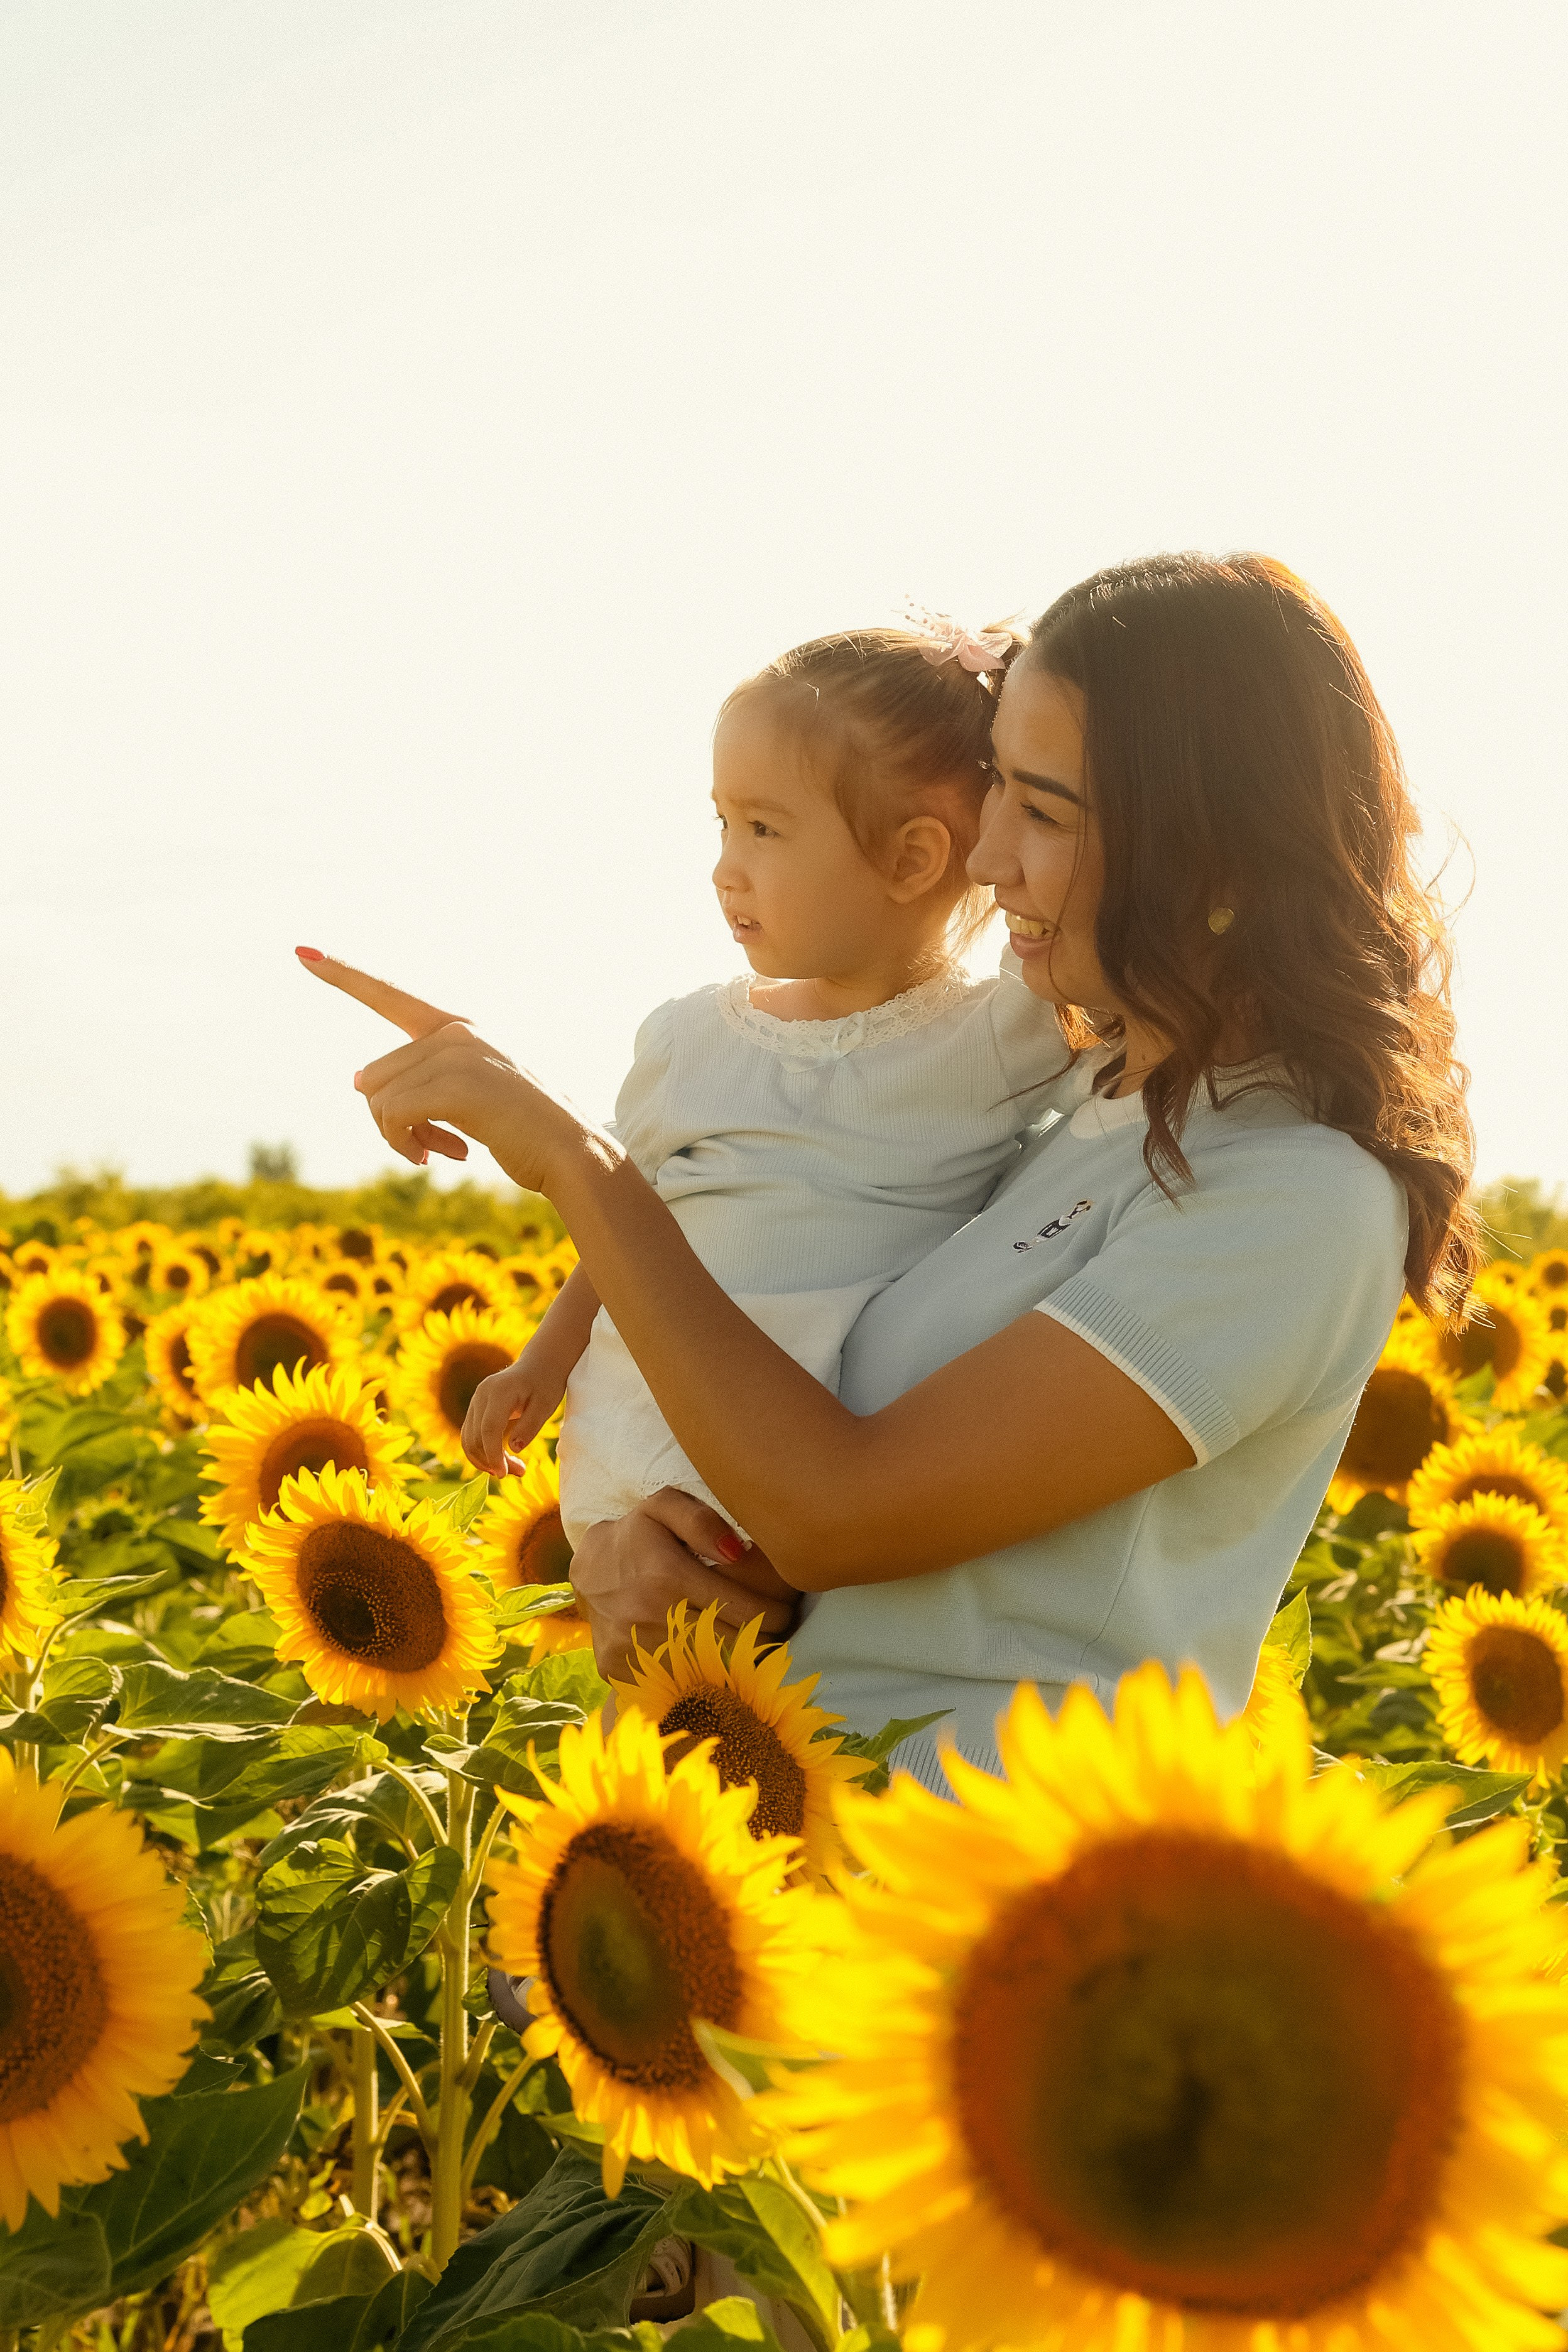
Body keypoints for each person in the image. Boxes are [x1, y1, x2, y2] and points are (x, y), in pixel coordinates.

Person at [299, 552, 1478, 1790]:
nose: (985, 861)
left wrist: (582, 1167)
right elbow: (832, 1504)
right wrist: (641, 1555)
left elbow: (841, 1510)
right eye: (996, 795)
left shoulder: (1292, 1201)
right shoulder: (1085, 1108)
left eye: (1045, 810)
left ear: (1215, 854)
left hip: (974, 1873)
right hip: (775, 1832)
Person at [458, 612, 1075, 1561]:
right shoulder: (693, 1041)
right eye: (722, 822)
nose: (724, 867)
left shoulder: (998, 1037)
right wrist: (542, 1361)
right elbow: (630, 1225)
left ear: (914, 858)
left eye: (764, 829)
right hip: (628, 1457)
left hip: (814, 1487)